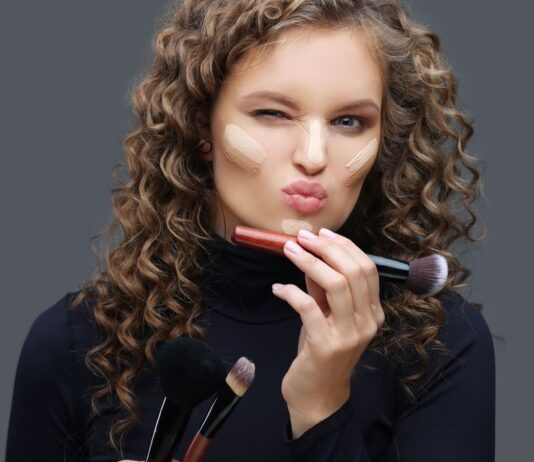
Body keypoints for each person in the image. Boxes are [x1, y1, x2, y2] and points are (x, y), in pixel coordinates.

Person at [6, 0, 495, 461]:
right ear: (201, 127)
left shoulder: (442, 343)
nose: (314, 156)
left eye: (349, 121)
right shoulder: (77, 341)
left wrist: (322, 406)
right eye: (273, 114)